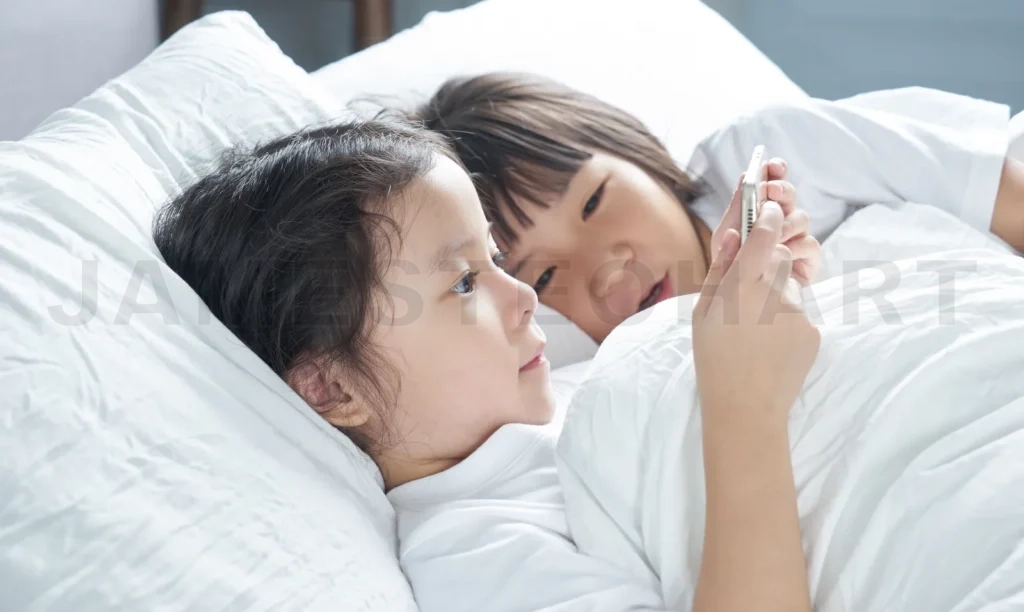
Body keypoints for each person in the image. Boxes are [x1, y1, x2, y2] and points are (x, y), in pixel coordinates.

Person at [153, 120, 819, 612]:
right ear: (333, 387)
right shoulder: (478, 552)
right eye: (466, 283)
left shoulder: (564, 393)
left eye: (494, 260)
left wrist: (762, 293)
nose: (527, 299)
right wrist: (745, 406)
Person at [415, 73, 1024, 343]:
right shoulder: (598, 357)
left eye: (595, 202)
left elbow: (1007, 200)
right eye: (545, 276)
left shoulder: (769, 153)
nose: (610, 267)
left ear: (637, 153)